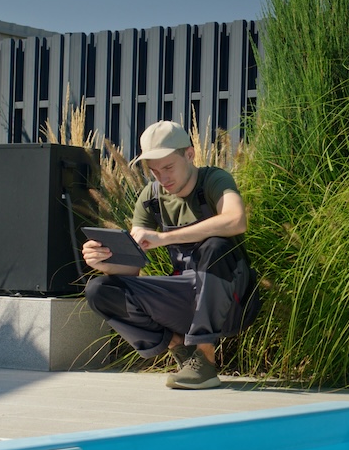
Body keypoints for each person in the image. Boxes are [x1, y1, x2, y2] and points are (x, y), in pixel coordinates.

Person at [82, 120, 253, 389]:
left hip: (232, 301)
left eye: (169, 167)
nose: (163, 178)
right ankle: (182, 350)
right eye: (154, 171)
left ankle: (205, 359)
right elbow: (132, 269)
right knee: (100, 289)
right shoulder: (150, 196)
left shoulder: (214, 179)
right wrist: (104, 262)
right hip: (183, 295)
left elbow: (236, 220)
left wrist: (164, 238)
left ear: (189, 154)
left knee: (216, 246)